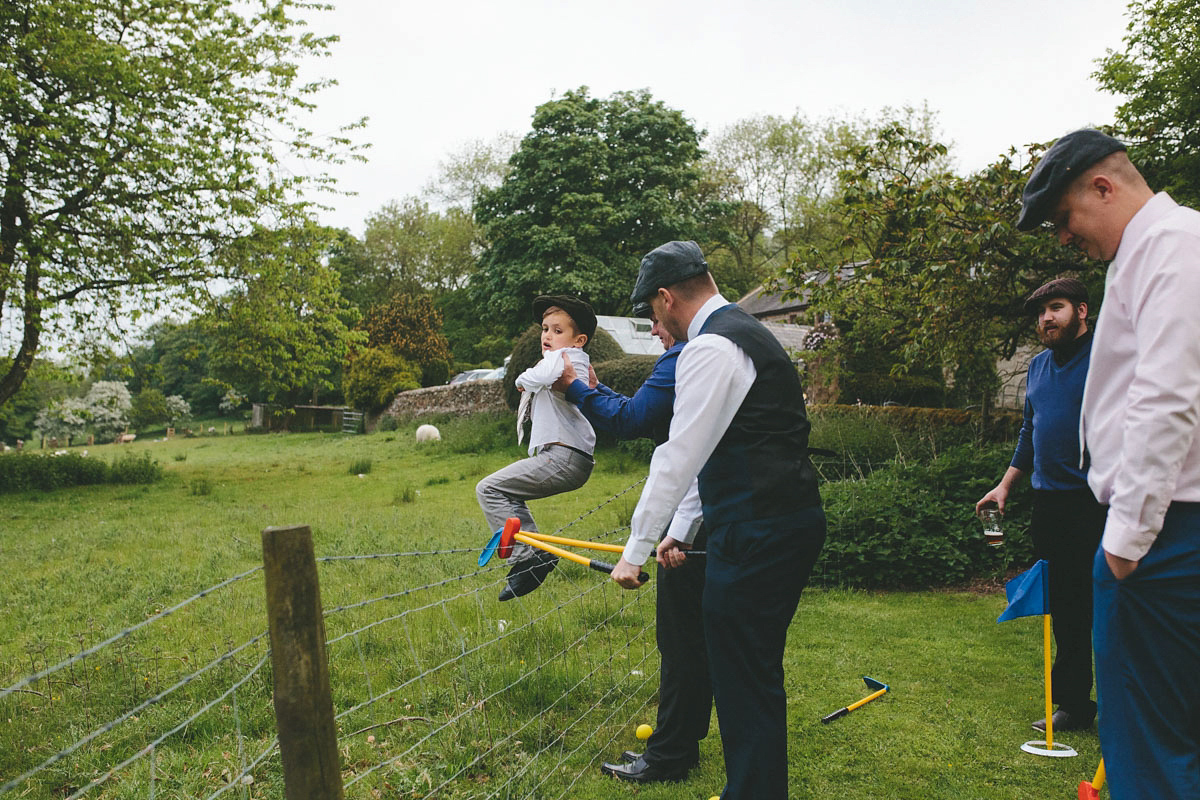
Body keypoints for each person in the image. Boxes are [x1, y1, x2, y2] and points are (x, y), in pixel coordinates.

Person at [1017, 128, 1200, 799]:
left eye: (1063, 217)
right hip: (1165, 528)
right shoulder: (1147, 253)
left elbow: (1168, 395)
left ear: (1103, 185)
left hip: (1166, 535)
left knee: (1147, 743)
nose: (1063, 238)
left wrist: (1123, 544)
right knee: (1168, 733)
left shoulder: (1172, 246)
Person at [609, 240, 826, 800]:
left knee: (744, 677)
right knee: (747, 669)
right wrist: (677, 531)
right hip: (782, 520)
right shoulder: (745, 333)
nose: (654, 321)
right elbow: (718, 450)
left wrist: (634, 550)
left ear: (665, 297)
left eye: (651, 311)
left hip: (758, 529)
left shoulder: (709, 348)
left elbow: (678, 455)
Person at [551, 307, 712, 783]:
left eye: (657, 322)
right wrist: (596, 391)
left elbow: (636, 421)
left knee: (681, 640)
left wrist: (575, 389)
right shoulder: (705, 356)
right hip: (701, 518)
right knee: (692, 641)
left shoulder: (684, 356)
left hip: (697, 523)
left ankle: (669, 757)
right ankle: (680, 743)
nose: (656, 333)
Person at [975, 276, 1106, 733]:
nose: (1046, 318)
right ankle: (1073, 704)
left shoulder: (1108, 358)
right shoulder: (1037, 367)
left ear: (1082, 310)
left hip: (1102, 502)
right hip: (1050, 506)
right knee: (1067, 608)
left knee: (1114, 602)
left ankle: (1128, 704)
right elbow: (1030, 432)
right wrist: (1006, 486)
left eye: (1056, 307)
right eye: (1041, 312)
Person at [476, 295, 597, 602]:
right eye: (545, 328)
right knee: (505, 492)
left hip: (564, 457)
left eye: (557, 330)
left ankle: (529, 558)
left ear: (578, 339)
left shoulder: (564, 358)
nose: (547, 335)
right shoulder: (571, 359)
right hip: (565, 455)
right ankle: (532, 556)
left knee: (489, 489)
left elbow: (542, 374)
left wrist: (520, 379)